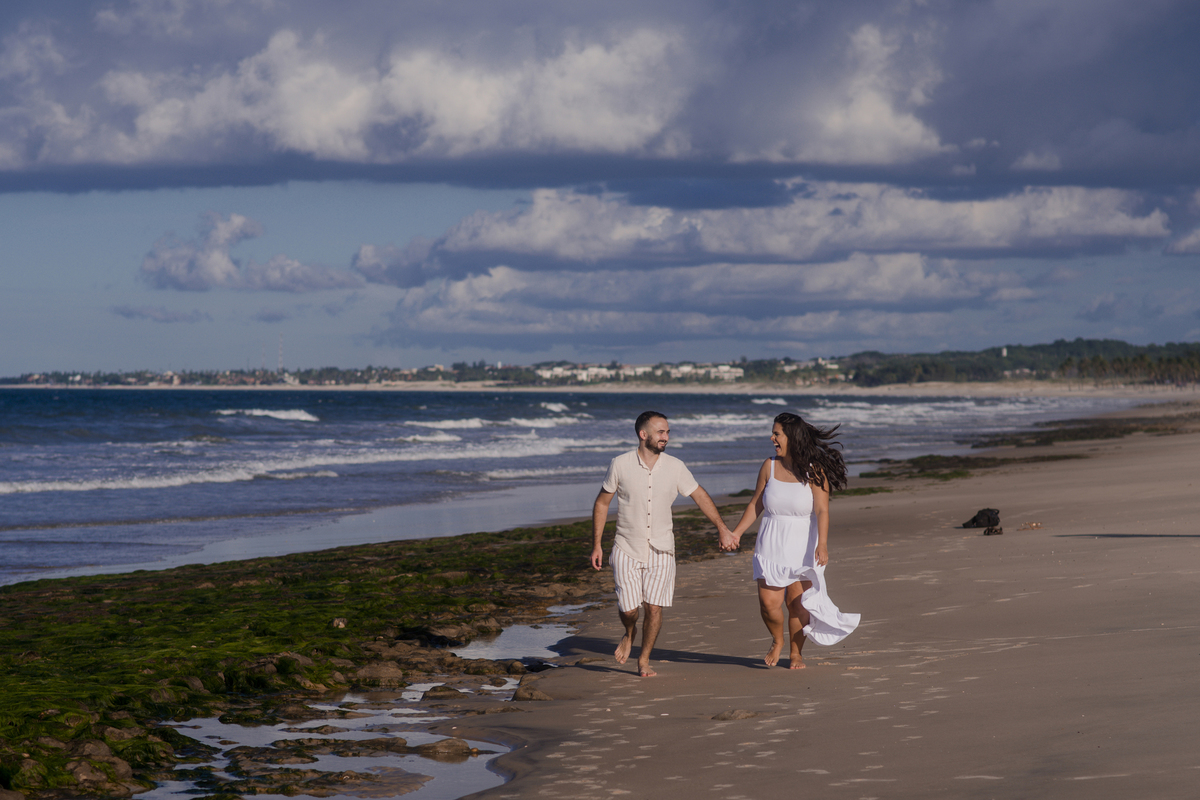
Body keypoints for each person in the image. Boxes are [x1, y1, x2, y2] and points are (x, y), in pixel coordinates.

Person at [592, 410, 738, 677]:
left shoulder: (675, 466)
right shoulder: (620, 464)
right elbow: (602, 502)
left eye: (668, 432)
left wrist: (722, 528)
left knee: (654, 607)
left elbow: (699, 495)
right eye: (661, 432)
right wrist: (597, 545)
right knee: (628, 609)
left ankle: (644, 659)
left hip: (662, 548)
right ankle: (629, 632)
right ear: (643, 434)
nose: (666, 437)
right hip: (626, 546)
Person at [729, 412, 860, 669]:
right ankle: (777, 640)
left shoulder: (815, 470)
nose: (772, 437)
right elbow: (756, 504)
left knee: (797, 606)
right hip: (771, 541)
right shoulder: (769, 466)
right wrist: (737, 533)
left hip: (803, 544)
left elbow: (822, 510)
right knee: (769, 604)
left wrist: (822, 544)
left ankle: (796, 653)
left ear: (791, 437)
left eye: (777, 433)